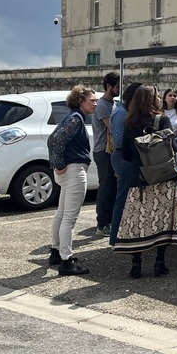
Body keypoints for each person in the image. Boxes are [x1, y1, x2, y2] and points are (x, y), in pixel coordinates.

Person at [118, 85, 177, 278]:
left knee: (138, 221)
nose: (160, 99)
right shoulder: (162, 119)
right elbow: (174, 146)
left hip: (139, 179)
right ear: (153, 100)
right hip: (162, 178)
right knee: (161, 220)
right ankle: (160, 262)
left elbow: (125, 154)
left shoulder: (129, 122)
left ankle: (136, 263)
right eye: (158, 96)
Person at [47, 84, 98, 276]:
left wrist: (57, 164)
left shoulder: (71, 117)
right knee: (69, 217)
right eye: (92, 100)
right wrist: (58, 163)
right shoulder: (76, 119)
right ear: (80, 101)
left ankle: (56, 251)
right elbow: (55, 140)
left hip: (68, 171)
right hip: (74, 171)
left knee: (61, 214)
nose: (95, 104)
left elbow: (53, 140)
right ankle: (66, 260)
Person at [108, 81, 142, 247]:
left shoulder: (122, 110)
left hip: (123, 157)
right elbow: (119, 140)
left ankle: (120, 236)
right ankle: (115, 237)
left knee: (124, 197)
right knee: (122, 198)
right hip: (123, 157)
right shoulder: (122, 112)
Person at [93, 72, 120, 237]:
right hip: (103, 150)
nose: (118, 89)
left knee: (113, 188)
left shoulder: (114, 104)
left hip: (111, 150)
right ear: (108, 86)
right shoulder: (102, 105)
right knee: (106, 187)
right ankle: (102, 224)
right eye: (116, 86)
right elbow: (112, 126)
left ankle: (109, 221)